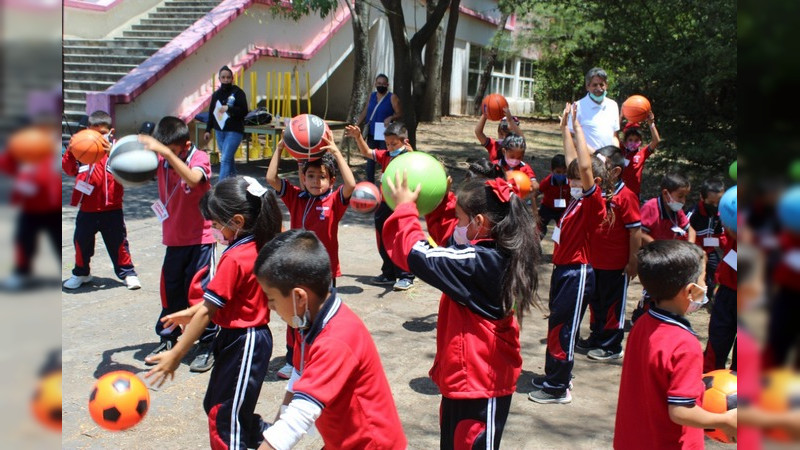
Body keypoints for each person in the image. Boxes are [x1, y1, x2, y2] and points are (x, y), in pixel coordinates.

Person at [382, 169, 540, 449]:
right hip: (468, 381)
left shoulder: (480, 262)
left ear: (479, 222)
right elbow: (450, 241)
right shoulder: (494, 249)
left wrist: (406, 211)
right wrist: (440, 203)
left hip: (481, 386)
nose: (455, 225)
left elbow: (420, 255)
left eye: (460, 219)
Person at [145, 176, 283, 450]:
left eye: (217, 224)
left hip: (245, 342)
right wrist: (191, 312)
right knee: (219, 406)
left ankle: (267, 439)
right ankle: (270, 438)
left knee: (224, 416)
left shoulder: (236, 256)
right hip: (238, 339)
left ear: (237, 221)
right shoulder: (253, 245)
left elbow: (209, 311)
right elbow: (220, 301)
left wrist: (176, 354)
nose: (213, 229)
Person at [254, 230, 407, 450]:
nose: (270, 306)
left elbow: (299, 417)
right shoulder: (305, 322)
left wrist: (277, 436)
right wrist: (278, 426)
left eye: (272, 299)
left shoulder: (336, 340)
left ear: (299, 297)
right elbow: (297, 379)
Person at [614, 240, 737, 448]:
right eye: (703, 279)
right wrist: (724, 420)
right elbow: (680, 411)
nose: (706, 285)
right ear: (690, 291)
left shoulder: (642, 323)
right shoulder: (685, 344)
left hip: (632, 440)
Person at [528, 103, 609, 404]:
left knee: (565, 328)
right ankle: (555, 374)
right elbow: (576, 163)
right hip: (563, 270)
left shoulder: (593, 203)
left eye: (577, 180)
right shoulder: (576, 200)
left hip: (578, 273)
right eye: (572, 178)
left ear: (593, 184)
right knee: (556, 323)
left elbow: (585, 168)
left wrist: (578, 126)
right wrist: (564, 128)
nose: (572, 182)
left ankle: (559, 387)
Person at [265, 132, 356, 380]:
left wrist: (336, 152)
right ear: (303, 179)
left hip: (323, 272)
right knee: (294, 314)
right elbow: (271, 178)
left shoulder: (334, 200)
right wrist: (280, 149)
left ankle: (318, 356)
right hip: (296, 268)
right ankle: (292, 358)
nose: (316, 181)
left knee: (321, 315)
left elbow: (351, 185)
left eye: (322, 177)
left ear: (331, 181)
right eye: (311, 176)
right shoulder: (296, 197)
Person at [139, 117, 219, 373]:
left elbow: (194, 179)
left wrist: (166, 154)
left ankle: (207, 343)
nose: (166, 155)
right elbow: (134, 163)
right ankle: (168, 338)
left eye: (172, 150)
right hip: (174, 239)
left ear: (185, 145)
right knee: (171, 292)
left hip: (200, 240)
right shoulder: (162, 158)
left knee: (198, 293)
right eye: (165, 150)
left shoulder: (199, 158)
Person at [61, 110, 140, 290]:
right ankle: (81, 273)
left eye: (102, 133)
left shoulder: (118, 148)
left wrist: (113, 153)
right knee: (81, 242)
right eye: (94, 132)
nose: (98, 137)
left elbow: (131, 168)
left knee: (118, 243)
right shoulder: (81, 147)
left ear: (111, 132)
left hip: (112, 208)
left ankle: (128, 273)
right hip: (87, 208)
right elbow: (69, 170)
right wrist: (71, 151)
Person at [578, 145, 641, 361]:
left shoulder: (626, 196)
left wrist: (633, 261)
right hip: (594, 261)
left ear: (615, 172)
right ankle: (597, 336)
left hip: (616, 265)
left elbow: (635, 231)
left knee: (612, 304)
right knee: (595, 301)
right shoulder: (596, 192)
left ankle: (611, 344)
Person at [344, 122, 415, 291]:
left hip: (400, 205)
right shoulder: (386, 155)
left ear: (404, 141)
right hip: (384, 204)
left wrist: (413, 154)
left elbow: (421, 170)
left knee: (400, 239)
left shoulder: (410, 158)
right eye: (387, 144)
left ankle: (406, 275)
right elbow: (367, 152)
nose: (390, 147)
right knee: (383, 238)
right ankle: (389, 273)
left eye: (394, 144)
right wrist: (358, 137)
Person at [0, 122, 61, 290]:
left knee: (57, 241)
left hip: (52, 207)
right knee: (23, 240)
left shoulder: (52, 151)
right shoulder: (19, 151)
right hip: (29, 207)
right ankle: (22, 272)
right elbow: (5, 164)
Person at [203, 65, 248, 180]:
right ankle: (233, 183)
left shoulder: (238, 93)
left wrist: (229, 108)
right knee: (228, 159)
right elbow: (212, 113)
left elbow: (244, 111)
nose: (226, 80)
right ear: (219, 79)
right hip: (220, 131)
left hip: (234, 131)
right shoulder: (216, 94)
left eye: (228, 77)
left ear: (232, 78)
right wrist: (208, 130)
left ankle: (220, 187)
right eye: (223, 77)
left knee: (225, 159)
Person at [355, 74, 402, 184]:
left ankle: (386, 183)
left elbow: (399, 113)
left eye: (383, 84)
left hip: (385, 134)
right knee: (370, 160)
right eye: (379, 83)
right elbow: (366, 110)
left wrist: (391, 117)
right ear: (375, 84)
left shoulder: (392, 97)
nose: (381, 85)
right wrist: (357, 124)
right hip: (372, 133)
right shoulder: (371, 96)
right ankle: (370, 184)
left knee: (385, 159)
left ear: (387, 85)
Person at [688, 178, 726, 303]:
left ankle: (711, 296)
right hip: (695, 250)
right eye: (711, 202)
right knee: (696, 273)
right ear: (702, 197)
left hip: (711, 249)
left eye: (718, 202)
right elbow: (686, 234)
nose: (715, 206)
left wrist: (728, 250)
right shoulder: (693, 213)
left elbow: (721, 236)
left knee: (717, 269)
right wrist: (697, 250)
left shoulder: (722, 213)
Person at [568, 67, 620, 151]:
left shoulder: (613, 105)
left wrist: (615, 153)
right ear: (587, 87)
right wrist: (595, 154)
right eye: (595, 85)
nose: (599, 88)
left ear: (606, 85)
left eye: (601, 84)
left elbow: (614, 136)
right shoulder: (577, 107)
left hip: (609, 158)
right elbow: (571, 137)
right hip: (587, 157)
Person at [640, 173, 695, 244]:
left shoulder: (677, 209)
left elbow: (691, 230)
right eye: (680, 196)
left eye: (685, 196)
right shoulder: (650, 207)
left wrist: (691, 245)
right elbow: (640, 233)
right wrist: (659, 247)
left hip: (670, 248)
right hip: (653, 249)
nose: (683, 201)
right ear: (665, 193)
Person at [619, 113, 660, 197]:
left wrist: (651, 123)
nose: (633, 142)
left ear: (640, 141)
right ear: (625, 141)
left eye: (636, 140)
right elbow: (614, 134)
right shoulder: (620, 150)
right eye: (630, 140)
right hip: (619, 192)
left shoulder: (642, 153)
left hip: (634, 193)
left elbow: (656, 140)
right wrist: (621, 116)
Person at [537, 154, 568, 236]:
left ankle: (557, 242)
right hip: (547, 208)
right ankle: (535, 243)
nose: (561, 175)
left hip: (562, 210)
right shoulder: (547, 182)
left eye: (564, 172)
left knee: (561, 231)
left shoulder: (570, 182)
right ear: (552, 170)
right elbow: (534, 195)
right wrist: (535, 213)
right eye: (558, 172)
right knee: (540, 229)